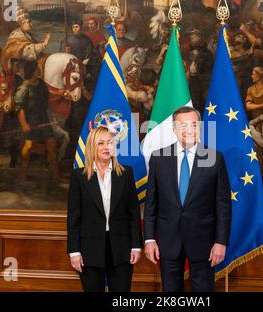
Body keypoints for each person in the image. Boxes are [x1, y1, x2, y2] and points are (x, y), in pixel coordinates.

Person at [144, 106, 231, 292]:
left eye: (194, 124)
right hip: (168, 241)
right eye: (183, 125)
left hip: (204, 241)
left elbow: (223, 205)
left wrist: (220, 241)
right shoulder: (158, 158)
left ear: (200, 127)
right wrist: (149, 239)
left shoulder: (215, 158)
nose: (189, 130)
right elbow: (151, 203)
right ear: (174, 129)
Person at [67, 126, 142, 292]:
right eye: (101, 143)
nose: (106, 147)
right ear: (93, 147)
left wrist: (136, 246)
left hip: (122, 248)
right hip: (89, 250)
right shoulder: (79, 177)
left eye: (110, 143)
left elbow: (134, 214)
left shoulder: (126, 173)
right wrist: (74, 251)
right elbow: (74, 218)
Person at [13, 61, 61, 184]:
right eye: (37, 69)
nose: (39, 71)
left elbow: (47, 102)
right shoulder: (24, 88)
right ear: (32, 71)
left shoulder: (41, 84)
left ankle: (56, 176)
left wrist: (53, 117)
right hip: (29, 121)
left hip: (43, 119)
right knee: (27, 147)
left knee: (52, 145)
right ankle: (22, 175)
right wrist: (24, 125)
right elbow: (20, 109)